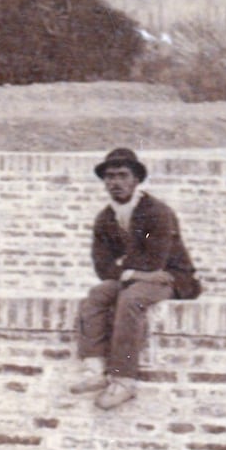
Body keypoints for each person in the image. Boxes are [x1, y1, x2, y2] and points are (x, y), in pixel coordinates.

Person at [61, 148, 200, 403]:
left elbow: (156, 259)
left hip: (171, 277)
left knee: (131, 300)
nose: (115, 183)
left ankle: (124, 379)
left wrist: (131, 270)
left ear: (136, 180)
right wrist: (137, 273)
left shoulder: (157, 212)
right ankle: (94, 367)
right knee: (97, 294)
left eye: (123, 176)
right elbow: (102, 267)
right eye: (110, 177)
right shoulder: (105, 218)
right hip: (144, 277)